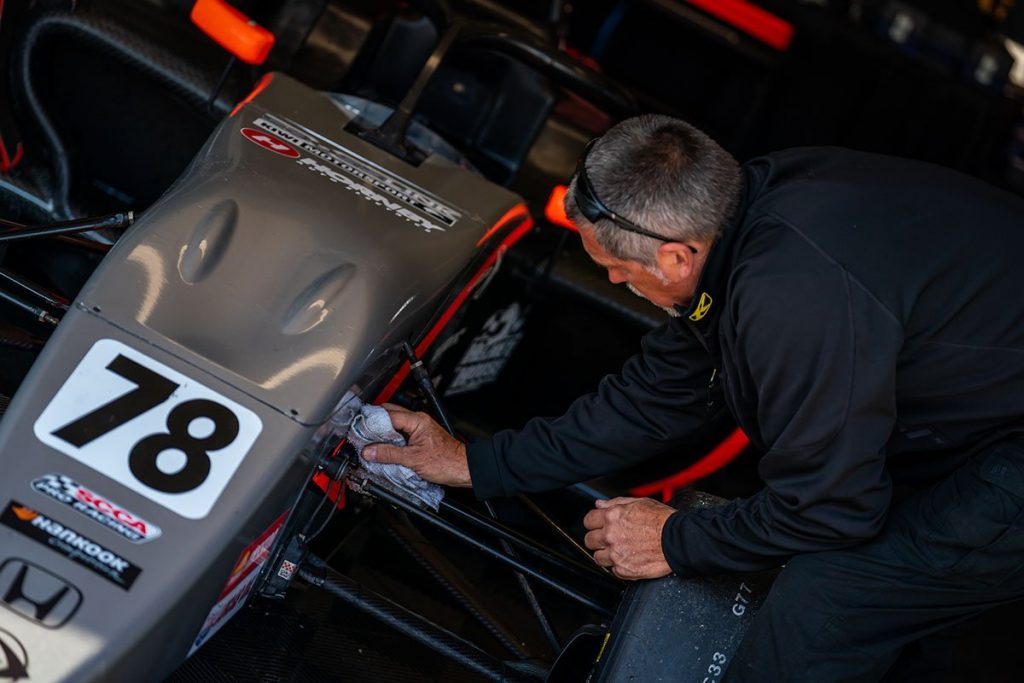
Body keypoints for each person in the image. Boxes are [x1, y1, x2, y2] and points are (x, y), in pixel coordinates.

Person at [361, 114, 1024, 680]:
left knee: (823, 604)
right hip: (977, 413)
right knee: (895, 602)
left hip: (1007, 446)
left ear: (676, 258)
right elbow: (655, 396)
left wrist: (677, 538)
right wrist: (475, 463)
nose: (618, 281)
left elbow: (832, 508)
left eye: (617, 270)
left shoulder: (790, 294)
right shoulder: (746, 217)